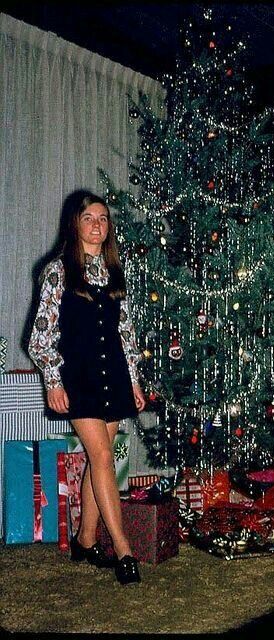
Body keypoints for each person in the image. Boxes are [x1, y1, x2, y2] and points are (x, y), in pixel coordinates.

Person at [29, 192, 146, 585]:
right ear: (75, 224)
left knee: (103, 460)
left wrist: (133, 379)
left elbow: (125, 331)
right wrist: (53, 381)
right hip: (78, 378)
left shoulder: (114, 270)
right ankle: (124, 549)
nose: (97, 225)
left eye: (103, 218)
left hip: (112, 375)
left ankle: (86, 538)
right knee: (101, 457)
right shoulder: (58, 271)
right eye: (89, 218)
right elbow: (40, 337)